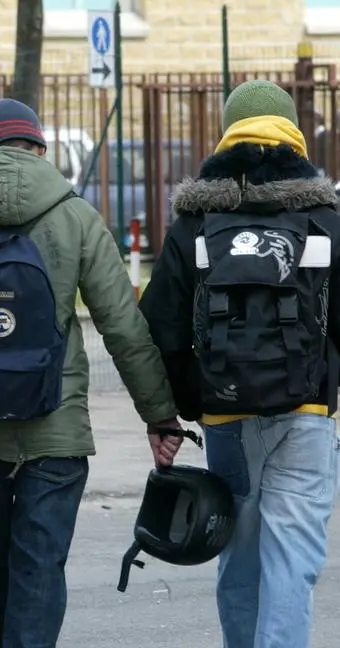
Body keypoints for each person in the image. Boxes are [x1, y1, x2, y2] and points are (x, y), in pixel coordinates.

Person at [0, 97, 183, 648]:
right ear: (38, 147)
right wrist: (160, 416)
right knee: (39, 574)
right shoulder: (75, 214)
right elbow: (123, 328)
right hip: (55, 431)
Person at [139, 79, 340, 648]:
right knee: (292, 564)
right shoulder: (325, 215)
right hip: (308, 411)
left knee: (241, 559)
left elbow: (160, 325)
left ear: (228, 132)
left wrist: (188, 403)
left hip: (226, 418)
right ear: (293, 133)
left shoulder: (194, 222)